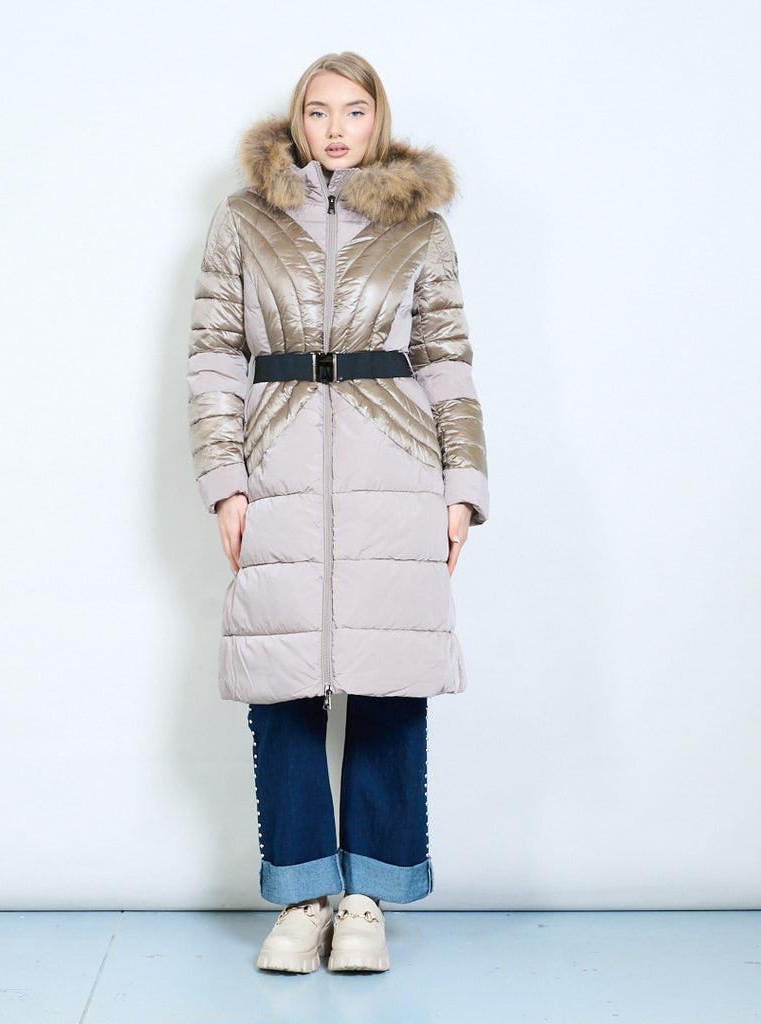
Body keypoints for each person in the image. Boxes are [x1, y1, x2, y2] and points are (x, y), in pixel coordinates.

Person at [187, 52, 488, 973]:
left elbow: (446, 360)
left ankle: (368, 897)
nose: (335, 128)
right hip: (279, 466)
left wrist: (463, 487)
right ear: (297, 120)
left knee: (388, 675)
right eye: (318, 111)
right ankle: (303, 893)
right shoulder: (245, 220)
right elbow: (214, 354)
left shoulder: (419, 226)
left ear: (378, 119)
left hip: (394, 467)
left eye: (354, 110)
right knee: (282, 679)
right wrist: (225, 481)